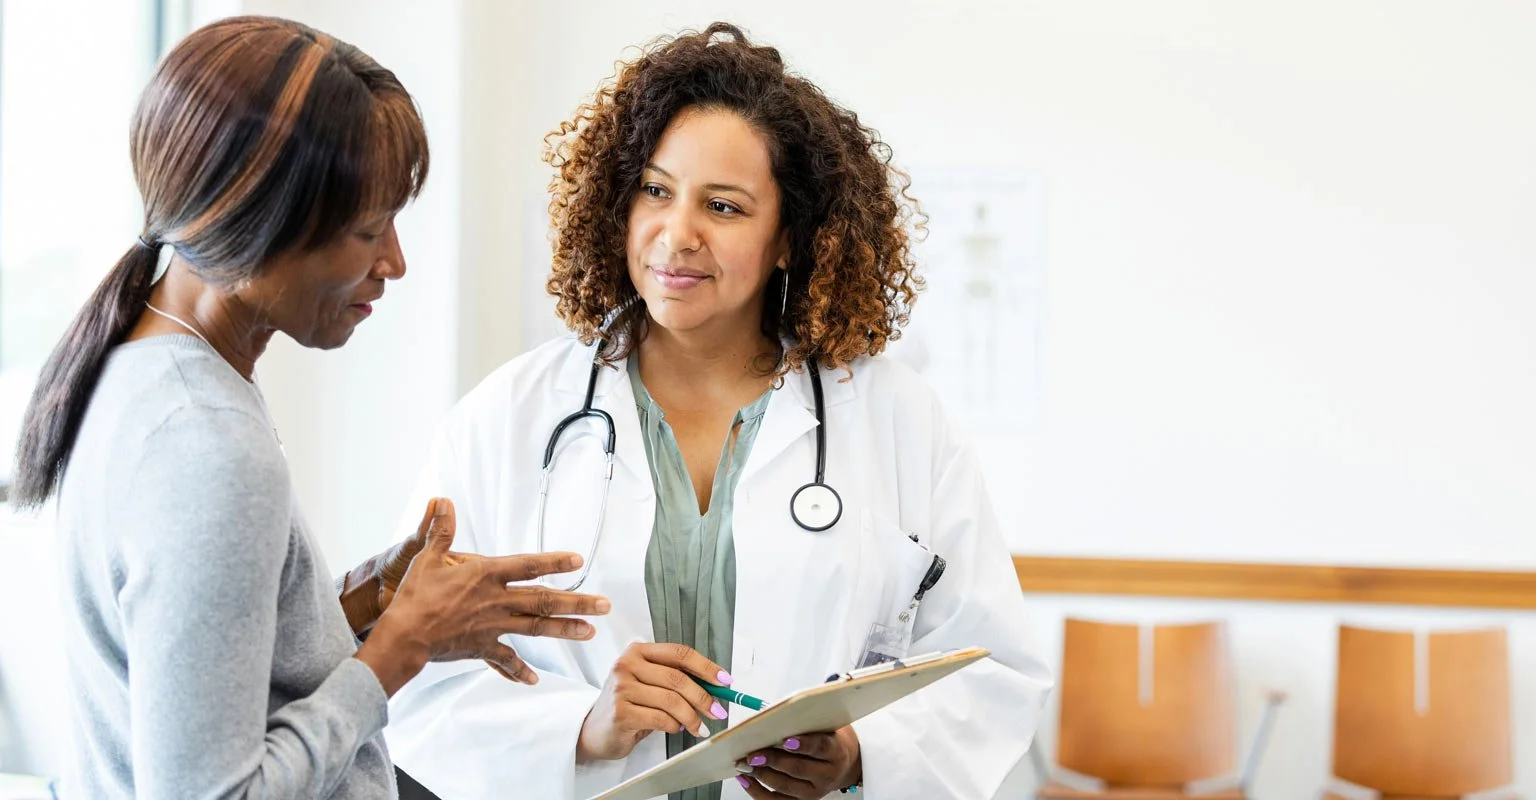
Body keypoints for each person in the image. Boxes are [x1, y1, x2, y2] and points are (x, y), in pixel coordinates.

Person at [384, 22, 1053, 800]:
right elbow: (414, 675)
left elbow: (992, 668)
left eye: (725, 207)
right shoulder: (509, 418)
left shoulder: (895, 418)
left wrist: (861, 751)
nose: (677, 235)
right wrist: (581, 728)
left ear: (788, 240)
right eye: (656, 191)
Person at [11, 16, 609, 799]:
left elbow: (207, 675)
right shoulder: (209, 447)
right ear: (252, 225)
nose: (395, 262)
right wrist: (399, 649)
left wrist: (360, 604)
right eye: (367, 231)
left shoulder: (145, 364)